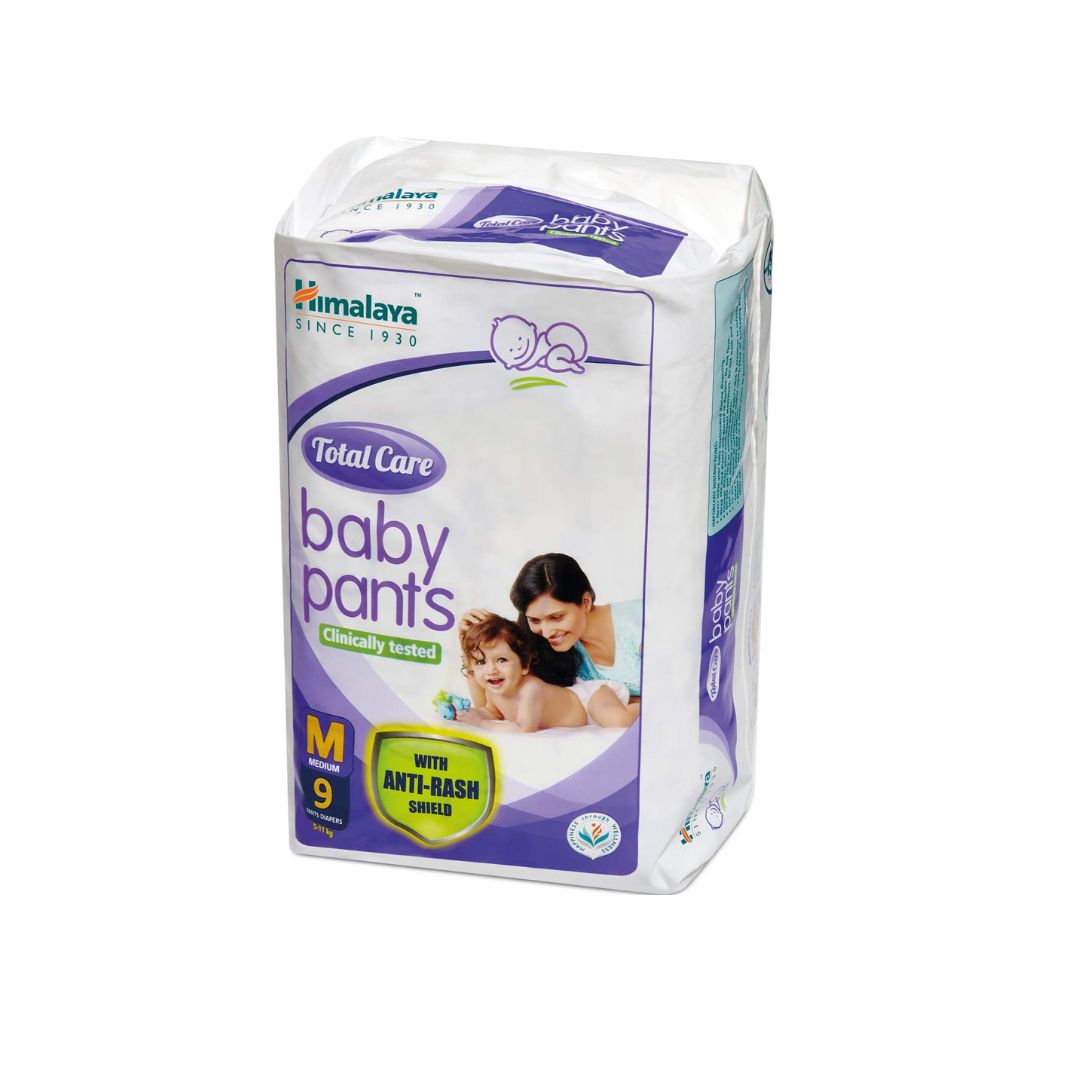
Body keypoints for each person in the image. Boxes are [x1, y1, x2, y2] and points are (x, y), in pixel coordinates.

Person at [459, 553, 643, 699]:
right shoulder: (547, 647)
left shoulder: (641, 623)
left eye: (556, 617)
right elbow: (489, 708)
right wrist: (470, 641)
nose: (546, 633)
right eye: (535, 620)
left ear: (585, 602)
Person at [455, 614, 636, 732]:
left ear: (524, 665)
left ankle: (643, 705)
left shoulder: (530, 690)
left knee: (618, 720)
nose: (491, 670)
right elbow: (493, 713)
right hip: (582, 711)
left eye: (502, 660)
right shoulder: (493, 690)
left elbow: (524, 728)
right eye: (481, 662)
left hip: (588, 699)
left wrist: (481, 724)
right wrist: (468, 714)